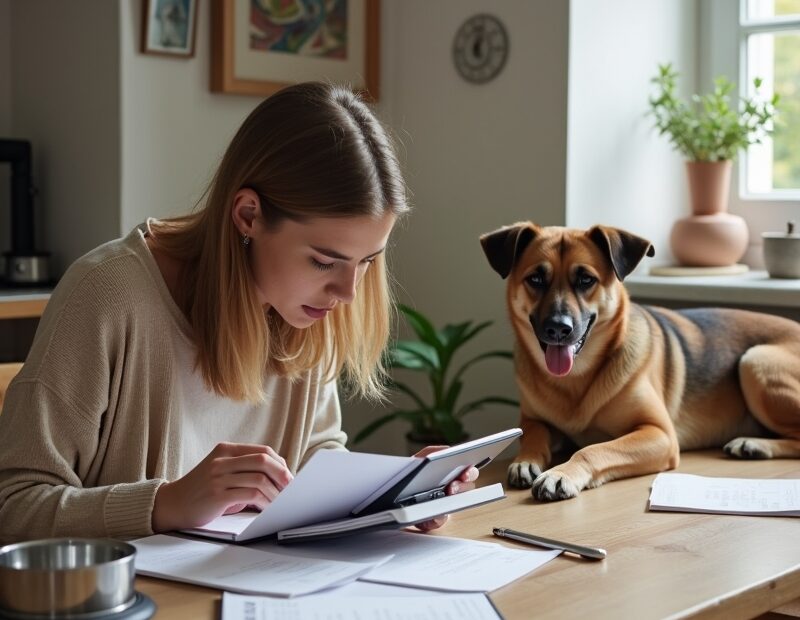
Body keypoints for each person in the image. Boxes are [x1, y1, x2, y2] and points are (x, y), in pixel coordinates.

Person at [0, 82, 478, 544]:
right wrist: (166, 503)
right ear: (248, 215)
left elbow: (314, 456)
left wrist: (391, 494)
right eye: (324, 261)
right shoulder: (106, 294)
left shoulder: (307, 311)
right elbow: (14, 505)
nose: (348, 293)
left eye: (367, 262)